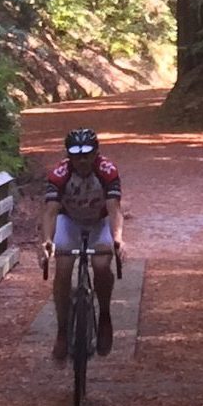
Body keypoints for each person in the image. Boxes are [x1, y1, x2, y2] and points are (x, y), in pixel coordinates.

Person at [40, 125, 124, 362]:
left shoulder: (107, 171)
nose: (82, 161)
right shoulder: (59, 174)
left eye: (87, 155)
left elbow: (114, 208)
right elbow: (50, 212)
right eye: (76, 156)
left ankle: (105, 316)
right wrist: (47, 240)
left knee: (100, 264)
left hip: (99, 220)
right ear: (69, 156)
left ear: (96, 154)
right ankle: (62, 331)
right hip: (70, 220)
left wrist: (117, 238)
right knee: (64, 268)